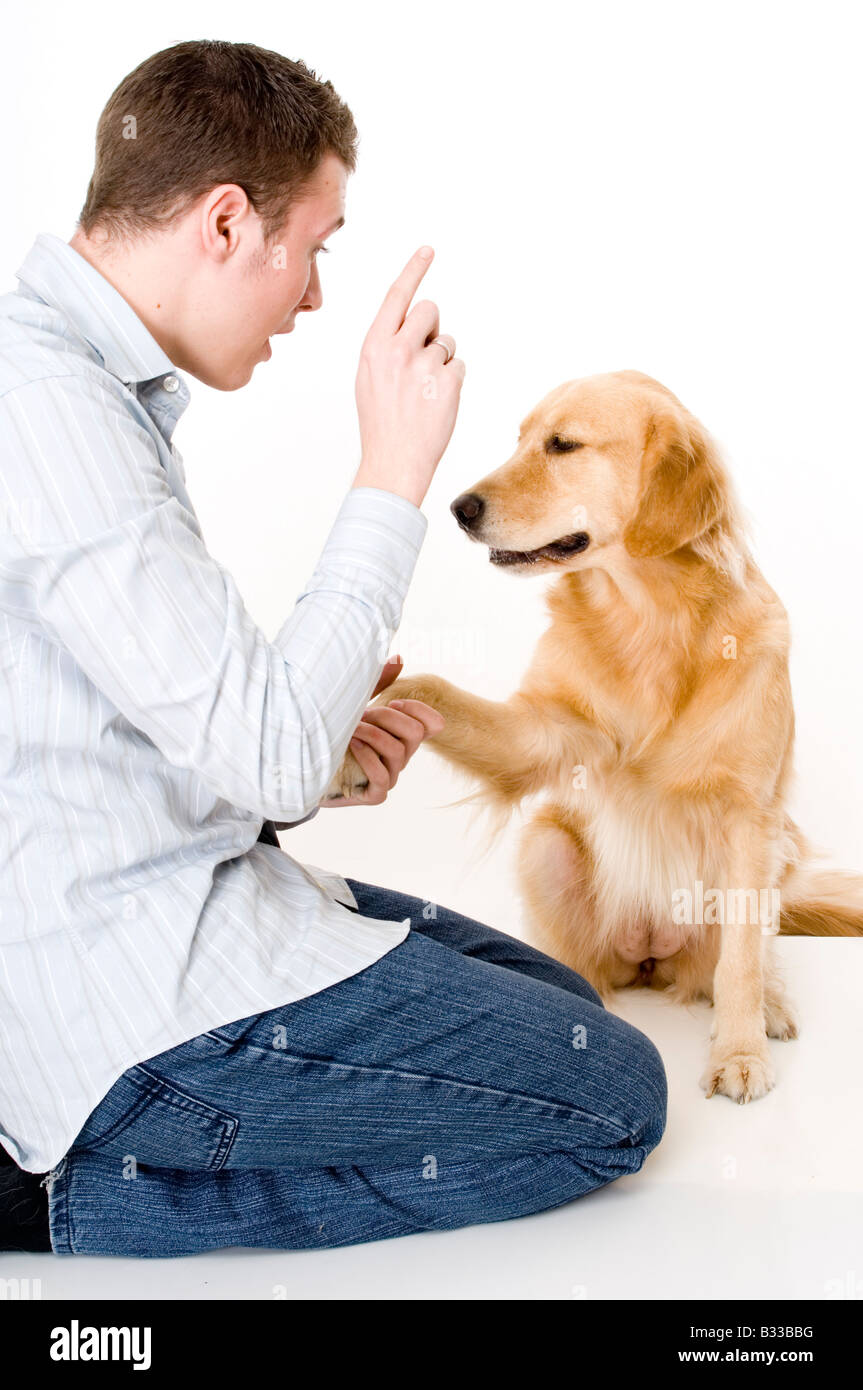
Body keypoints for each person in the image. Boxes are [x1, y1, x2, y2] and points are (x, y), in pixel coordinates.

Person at [0, 39, 666, 1258]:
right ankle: (63, 1197)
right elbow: (255, 748)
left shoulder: (81, 391)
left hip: (183, 892)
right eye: (311, 247)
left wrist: (322, 762)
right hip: (135, 993)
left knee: (561, 1011)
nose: (310, 295)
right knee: (609, 1100)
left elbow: (144, 742)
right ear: (221, 223)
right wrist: (393, 469)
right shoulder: (45, 413)